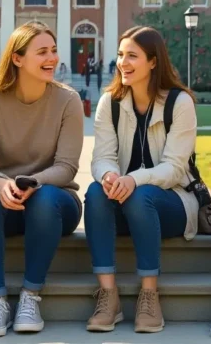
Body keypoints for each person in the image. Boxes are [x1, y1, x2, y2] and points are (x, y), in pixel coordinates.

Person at [0, 21, 85, 337]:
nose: (52, 58)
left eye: (54, 50)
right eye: (42, 52)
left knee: (45, 198)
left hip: (55, 203)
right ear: (17, 58)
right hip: (1, 204)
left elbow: (66, 167)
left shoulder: (69, 100)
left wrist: (30, 184)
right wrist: (2, 184)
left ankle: (30, 296)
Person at [85, 26, 199, 334]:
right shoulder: (109, 102)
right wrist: (109, 175)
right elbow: (102, 156)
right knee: (96, 192)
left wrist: (134, 180)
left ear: (153, 61)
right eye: (121, 55)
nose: (123, 62)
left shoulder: (180, 103)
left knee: (140, 195)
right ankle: (108, 296)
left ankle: (149, 294)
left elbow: (175, 168)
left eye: (132, 56)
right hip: (122, 203)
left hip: (172, 205)